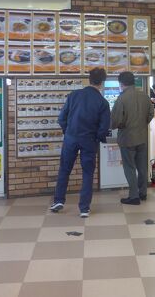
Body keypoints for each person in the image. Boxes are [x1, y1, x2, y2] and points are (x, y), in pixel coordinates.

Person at [49, 68, 110, 218]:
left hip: (71, 138)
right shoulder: (102, 102)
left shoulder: (74, 95)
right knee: (88, 173)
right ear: (102, 83)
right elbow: (104, 127)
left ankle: (58, 200)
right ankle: (84, 208)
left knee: (64, 169)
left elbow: (61, 118)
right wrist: (97, 138)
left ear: (89, 80)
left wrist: (68, 131)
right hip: (89, 140)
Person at [111, 72, 154, 205]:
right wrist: (142, 124)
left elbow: (115, 121)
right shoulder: (145, 96)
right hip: (142, 137)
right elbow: (151, 113)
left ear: (121, 83)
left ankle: (134, 196)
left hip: (127, 138)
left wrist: (116, 125)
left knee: (129, 167)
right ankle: (143, 193)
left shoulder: (121, 99)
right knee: (142, 167)